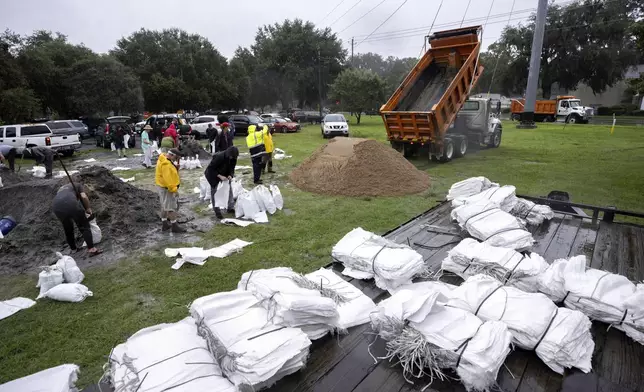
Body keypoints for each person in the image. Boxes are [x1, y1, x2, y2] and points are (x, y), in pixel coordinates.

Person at [52, 180, 102, 256]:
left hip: (56, 207)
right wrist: (88, 208)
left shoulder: (62, 189)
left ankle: (73, 249)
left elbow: (64, 198)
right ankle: (92, 249)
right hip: (71, 203)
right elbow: (83, 196)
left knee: (68, 228)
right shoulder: (78, 185)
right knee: (84, 226)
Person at [155, 148, 186, 233]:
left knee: (164, 206)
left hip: (161, 186)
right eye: (176, 158)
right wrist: (174, 190)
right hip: (167, 188)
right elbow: (168, 180)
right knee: (170, 208)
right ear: (172, 155)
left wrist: (175, 168)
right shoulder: (166, 165)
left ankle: (164, 224)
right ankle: (174, 227)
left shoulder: (163, 158)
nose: (177, 160)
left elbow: (168, 174)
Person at [205, 146, 238, 219]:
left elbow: (232, 168)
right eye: (231, 157)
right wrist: (219, 176)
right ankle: (217, 211)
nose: (232, 158)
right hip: (213, 175)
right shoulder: (219, 156)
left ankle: (230, 207)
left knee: (229, 189)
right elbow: (211, 169)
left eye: (233, 157)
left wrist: (230, 175)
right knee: (215, 192)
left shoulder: (234, 158)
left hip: (225, 173)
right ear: (228, 154)